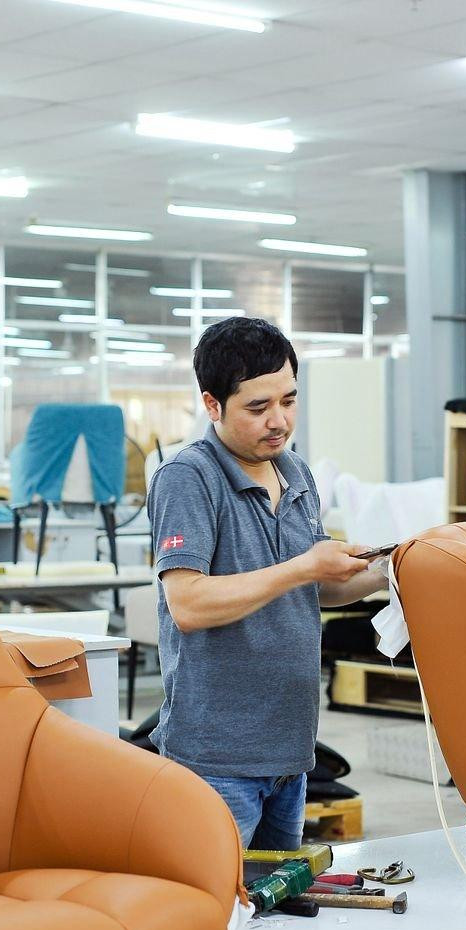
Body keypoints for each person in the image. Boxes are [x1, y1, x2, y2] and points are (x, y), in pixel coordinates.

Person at [148, 317, 387, 850]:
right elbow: (188, 603)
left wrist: (387, 572)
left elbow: (316, 588)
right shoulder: (188, 478)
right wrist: (305, 566)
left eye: (288, 400)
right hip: (218, 757)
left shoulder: (295, 473)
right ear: (213, 405)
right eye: (258, 408)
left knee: (281, 916)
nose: (278, 421)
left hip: (291, 749)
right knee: (219, 911)